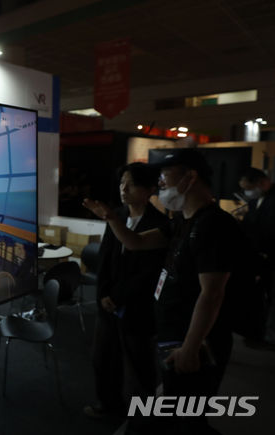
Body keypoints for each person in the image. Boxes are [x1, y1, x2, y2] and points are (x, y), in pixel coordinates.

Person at [84, 149, 239, 434]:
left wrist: (191, 347)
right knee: (177, 415)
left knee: (187, 418)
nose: (160, 183)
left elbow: (212, 293)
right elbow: (135, 242)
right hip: (172, 335)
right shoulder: (181, 221)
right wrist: (112, 218)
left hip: (195, 343)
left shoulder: (213, 224)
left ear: (190, 178)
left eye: (165, 175)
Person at [84, 163, 169, 426]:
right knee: (102, 358)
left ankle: (143, 420)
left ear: (150, 189)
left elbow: (149, 272)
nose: (124, 188)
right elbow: (105, 258)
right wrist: (103, 294)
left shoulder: (160, 224)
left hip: (137, 305)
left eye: (131, 184)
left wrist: (118, 296)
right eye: (122, 182)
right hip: (107, 301)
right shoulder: (117, 214)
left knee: (139, 365)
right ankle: (108, 405)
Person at [238, 167, 275, 345]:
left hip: (274, 256)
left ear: (261, 182)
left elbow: (271, 228)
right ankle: (257, 332)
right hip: (258, 257)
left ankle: (271, 336)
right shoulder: (255, 200)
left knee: (274, 298)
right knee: (259, 296)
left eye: (249, 188)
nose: (248, 193)